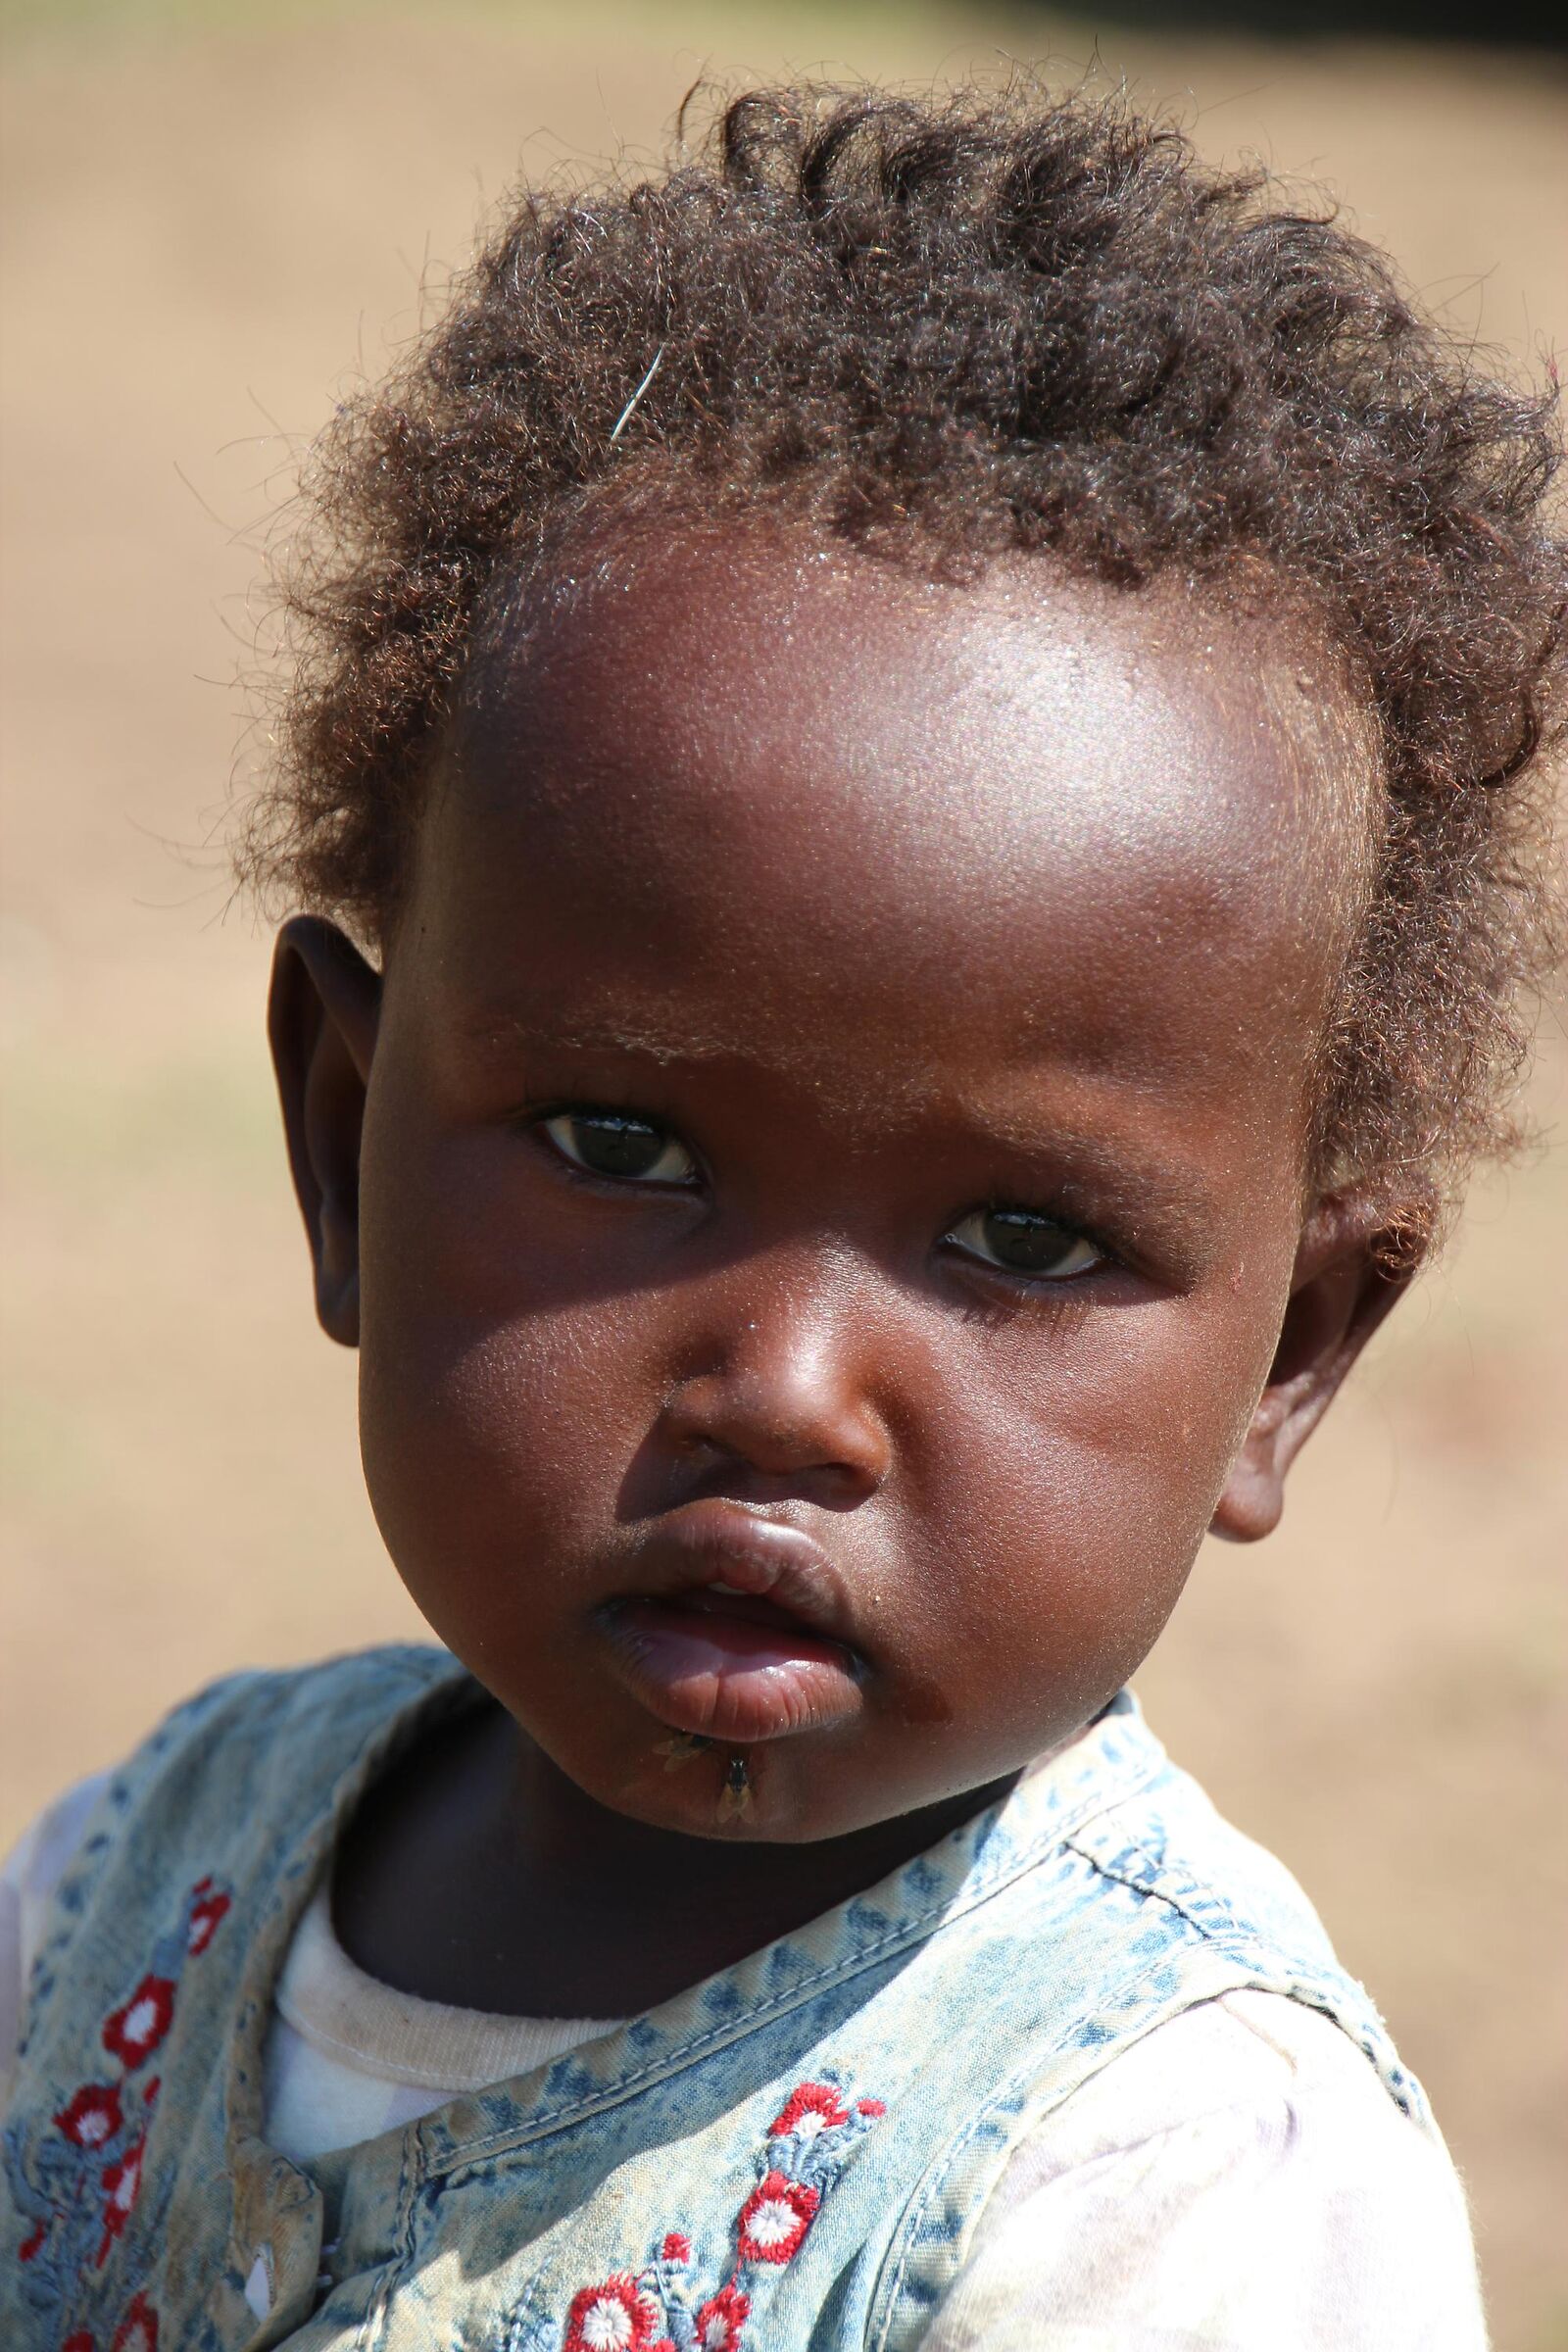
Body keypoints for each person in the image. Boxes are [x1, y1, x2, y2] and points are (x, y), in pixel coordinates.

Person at [3, 80, 1561, 2352]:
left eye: (1021, 1243)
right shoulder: (130, 1879)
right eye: (624, 1150)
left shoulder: (1166, 2179)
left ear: (1289, 1355)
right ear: (338, 1143)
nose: (790, 1393)